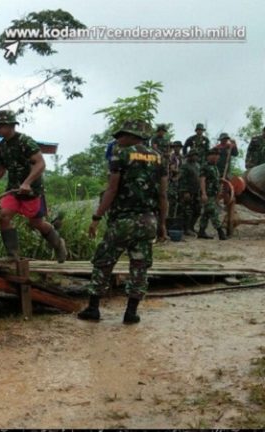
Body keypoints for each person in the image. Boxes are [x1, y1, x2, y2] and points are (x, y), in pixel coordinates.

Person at [77, 120, 167, 324]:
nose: (118, 139)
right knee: (140, 266)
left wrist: (96, 217)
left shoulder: (121, 154)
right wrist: (162, 224)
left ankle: (93, 308)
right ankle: (131, 313)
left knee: (103, 262)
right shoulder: (160, 158)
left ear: (131, 135)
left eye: (121, 135)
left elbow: (111, 190)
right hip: (148, 221)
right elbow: (163, 195)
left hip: (123, 221)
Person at [0, 110, 66, 263]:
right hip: (13, 189)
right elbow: (2, 167)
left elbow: (40, 163)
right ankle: (12, 255)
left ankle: (58, 243)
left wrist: (27, 182)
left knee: (36, 223)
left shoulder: (25, 142)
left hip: (31, 190)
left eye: (1, 126)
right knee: (3, 216)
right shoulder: (2, 146)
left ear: (12, 126)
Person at [198, 148, 227, 240]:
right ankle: (220, 232)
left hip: (213, 193)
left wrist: (220, 180)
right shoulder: (205, 167)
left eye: (217, 155)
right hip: (207, 193)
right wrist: (203, 193)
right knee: (212, 211)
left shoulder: (215, 167)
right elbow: (202, 180)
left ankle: (201, 232)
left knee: (206, 213)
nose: (216, 157)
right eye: (214, 155)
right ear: (209, 156)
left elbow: (214, 180)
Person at [177, 150, 202, 236]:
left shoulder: (198, 166)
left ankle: (191, 227)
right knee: (187, 211)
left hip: (196, 191)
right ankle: (186, 229)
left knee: (198, 210)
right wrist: (185, 191)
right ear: (190, 156)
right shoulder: (185, 166)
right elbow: (182, 179)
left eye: (196, 155)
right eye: (194, 155)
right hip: (188, 191)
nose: (195, 157)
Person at [167, 140, 184, 219]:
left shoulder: (182, 157)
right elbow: (172, 168)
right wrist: (181, 172)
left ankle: (178, 219)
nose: (177, 148)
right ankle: (170, 219)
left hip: (181, 182)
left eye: (179, 147)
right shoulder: (172, 157)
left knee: (181, 201)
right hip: (172, 181)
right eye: (176, 147)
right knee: (172, 201)